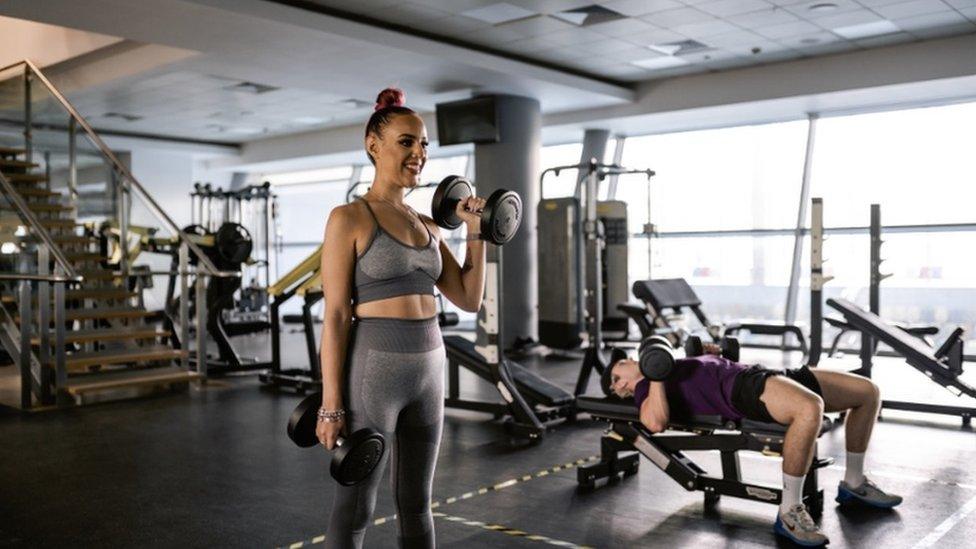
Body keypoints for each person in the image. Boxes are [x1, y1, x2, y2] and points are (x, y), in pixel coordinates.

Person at [315, 88, 487, 548]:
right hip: (375, 372)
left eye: (425, 144)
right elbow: (334, 316)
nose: (419, 154)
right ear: (374, 145)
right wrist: (331, 405)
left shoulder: (428, 226)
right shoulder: (348, 217)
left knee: (417, 504)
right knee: (356, 507)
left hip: (430, 371)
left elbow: (469, 298)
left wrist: (477, 232)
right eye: (407, 142)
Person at [603, 342, 902, 547]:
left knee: (867, 392)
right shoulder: (647, 388)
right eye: (614, 390)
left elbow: (706, 368)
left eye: (616, 378)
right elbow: (654, 422)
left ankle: (853, 482)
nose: (618, 388)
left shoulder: (673, 363)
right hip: (743, 389)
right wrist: (656, 375)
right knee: (809, 408)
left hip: (763, 373)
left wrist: (711, 353)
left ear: (627, 360)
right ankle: (789, 511)